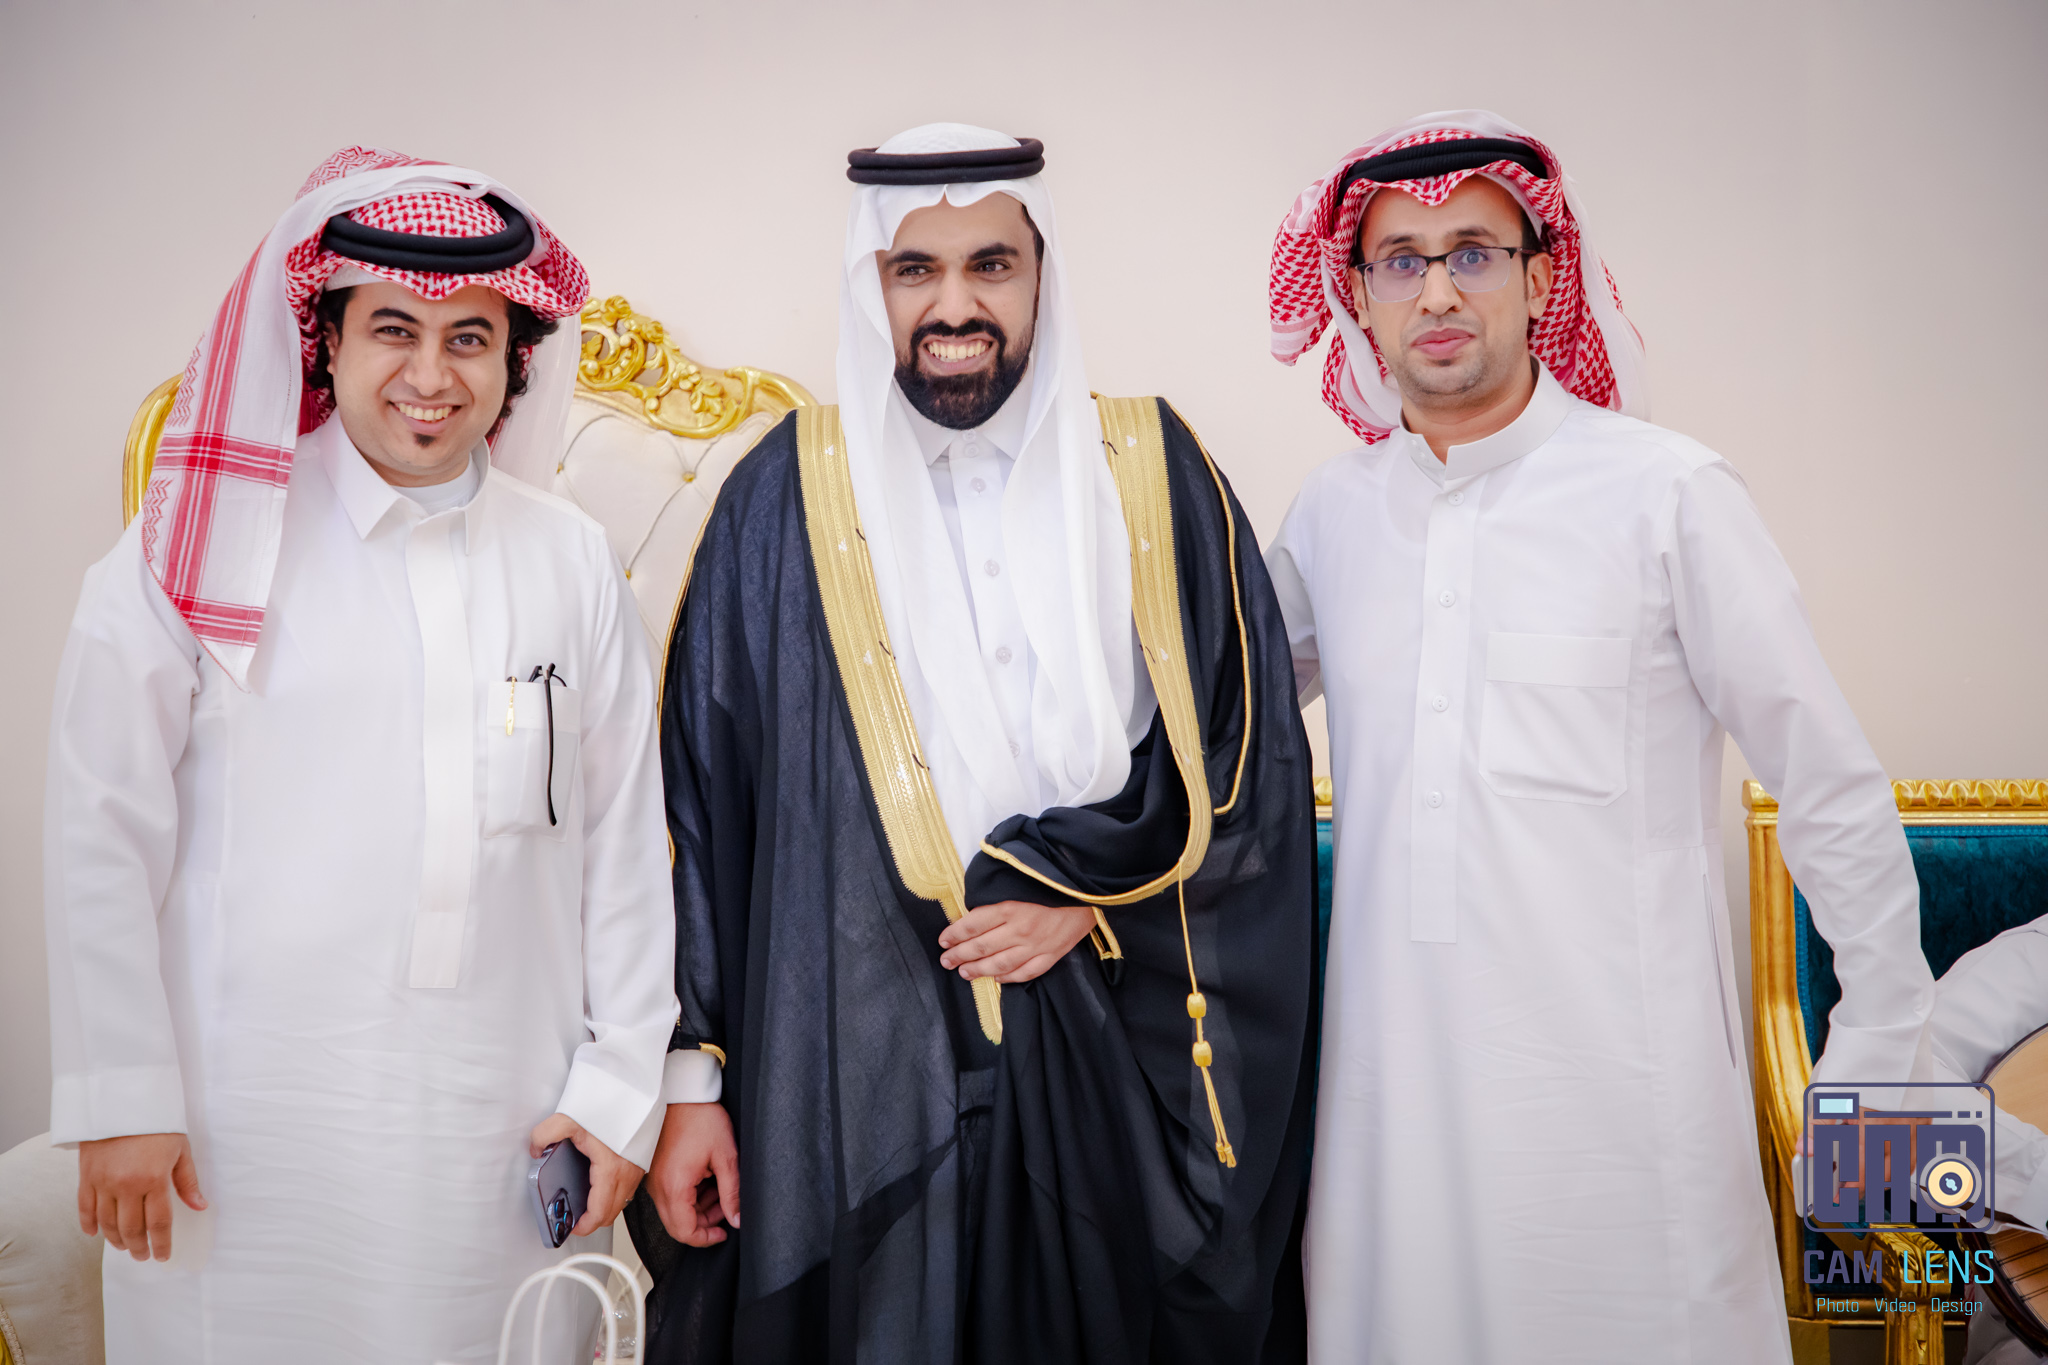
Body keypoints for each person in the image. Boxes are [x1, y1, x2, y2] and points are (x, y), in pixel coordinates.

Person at [626, 123, 1318, 1363]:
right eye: (915, 270)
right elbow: (696, 810)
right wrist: (693, 1085)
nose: (955, 306)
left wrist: (1083, 895)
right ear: (872, 288)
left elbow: (1243, 765)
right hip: (845, 1053)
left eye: (991, 265)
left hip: (1103, 1040)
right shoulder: (777, 499)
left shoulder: (1149, 471)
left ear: (1042, 276)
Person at [1262, 110, 1937, 1363]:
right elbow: (1205, 724)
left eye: (1472, 252)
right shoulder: (1329, 517)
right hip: (1390, 1129)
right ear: (1355, 296)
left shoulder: (1666, 493)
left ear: (1539, 278)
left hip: (1622, 1127)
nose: (1436, 291)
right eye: (1399, 261)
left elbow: (1826, 785)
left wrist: (1876, 1083)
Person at [44, 146, 677, 1362]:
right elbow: (99, 828)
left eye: (469, 339)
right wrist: (121, 1096)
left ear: (514, 358)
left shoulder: (569, 559)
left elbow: (621, 855)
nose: (431, 377)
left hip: (503, 1133)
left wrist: (618, 1094)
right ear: (324, 340)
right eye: (394, 329)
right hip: (238, 1138)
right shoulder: (198, 545)